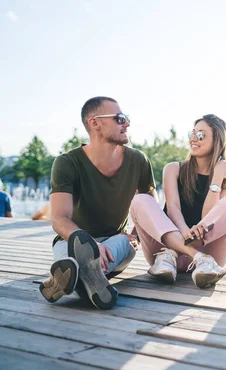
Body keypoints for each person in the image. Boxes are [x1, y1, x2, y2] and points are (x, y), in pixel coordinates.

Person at [39, 96, 155, 310]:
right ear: (95, 123)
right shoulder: (67, 163)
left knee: (122, 244)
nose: (127, 123)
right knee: (70, 261)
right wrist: (90, 245)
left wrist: (135, 236)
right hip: (72, 240)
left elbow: (150, 207)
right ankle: (89, 280)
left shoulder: (138, 160)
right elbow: (59, 219)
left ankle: (59, 283)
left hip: (117, 242)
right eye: (120, 118)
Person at [129, 114, 226, 287]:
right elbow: (173, 208)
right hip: (166, 255)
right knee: (141, 200)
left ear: (217, 141)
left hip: (208, 254)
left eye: (201, 135)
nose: (193, 140)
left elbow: (208, 218)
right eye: (192, 134)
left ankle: (201, 260)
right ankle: (191, 255)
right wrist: (185, 234)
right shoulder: (174, 169)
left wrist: (217, 179)